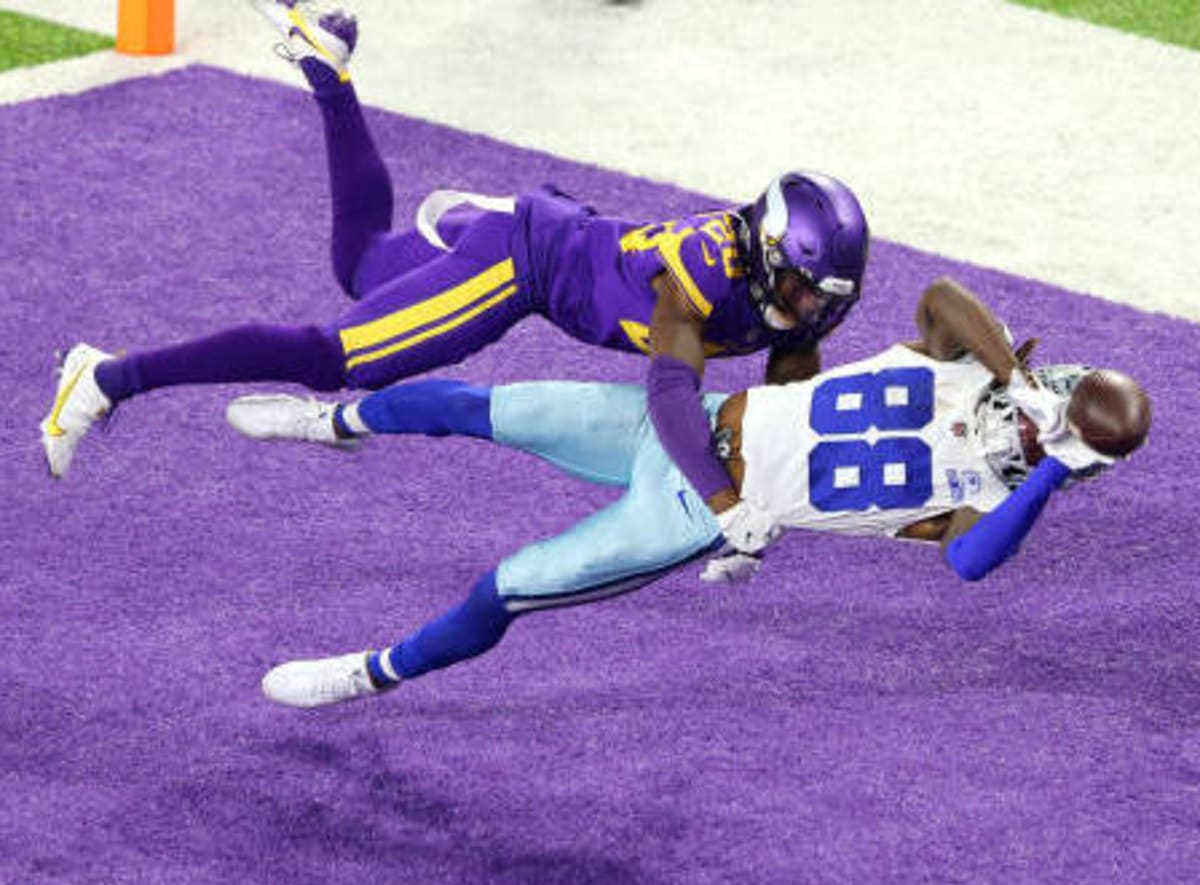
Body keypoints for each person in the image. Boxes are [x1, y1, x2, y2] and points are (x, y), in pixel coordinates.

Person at [39, 0, 870, 555]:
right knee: (341, 359)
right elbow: (668, 397)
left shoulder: (802, 296)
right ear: (764, 250)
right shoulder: (699, 278)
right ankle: (109, 377)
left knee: (359, 261)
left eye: (819, 300)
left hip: (558, 235)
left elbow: (787, 393)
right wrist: (726, 509)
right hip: (524, 265)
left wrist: (794, 478)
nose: (802, 309)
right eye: (798, 289)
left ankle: (330, 75)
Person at [222, 276, 1149, 708]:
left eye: (1051, 434)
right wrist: (1012, 378)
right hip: (687, 421)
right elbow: (944, 299)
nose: (1028, 424)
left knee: (505, 586)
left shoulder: (985, 497)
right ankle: (333, 424)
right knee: (485, 404)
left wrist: (1056, 469)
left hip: (691, 514)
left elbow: (970, 565)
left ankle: (376, 672)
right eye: (1043, 407)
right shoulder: (966, 365)